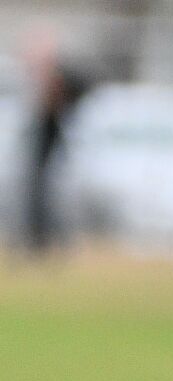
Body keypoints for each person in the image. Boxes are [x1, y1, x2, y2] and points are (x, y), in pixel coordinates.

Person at [19, 25, 90, 257]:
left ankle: (54, 242)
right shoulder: (42, 82)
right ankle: (36, 242)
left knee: (50, 197)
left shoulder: (60, 79)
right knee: (36, 195)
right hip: (42, 148)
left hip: (49, 149)